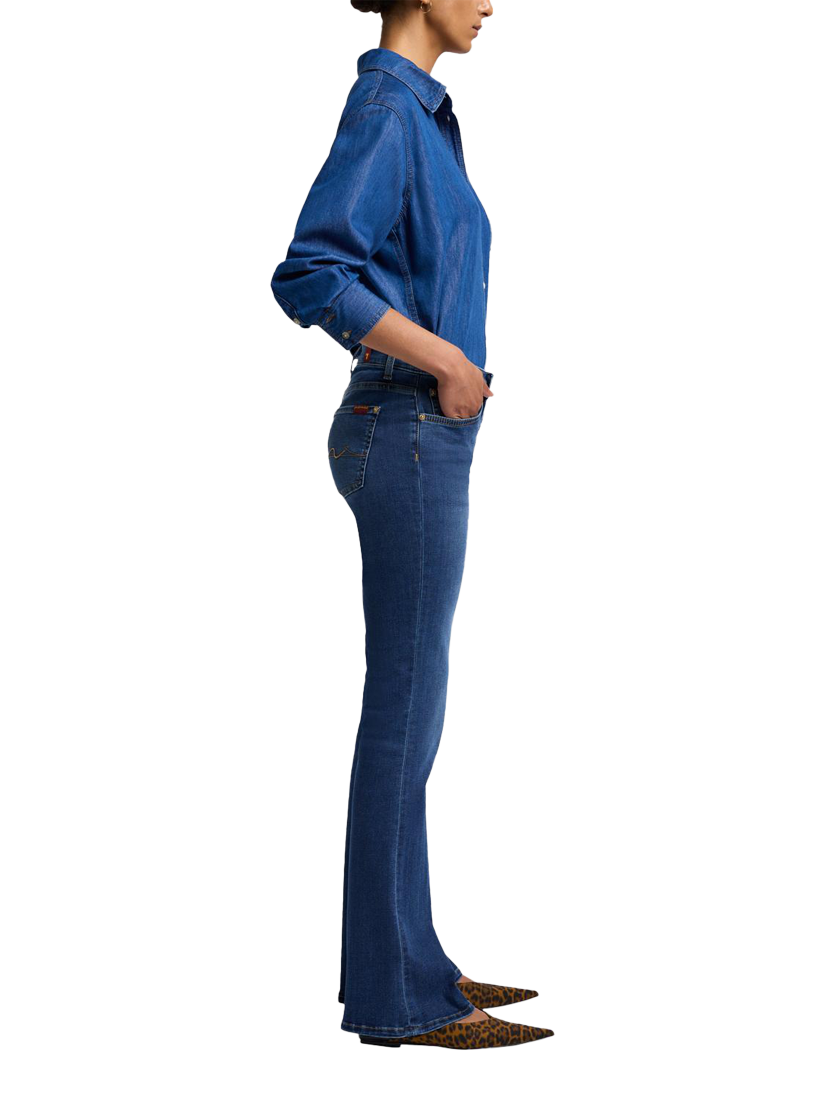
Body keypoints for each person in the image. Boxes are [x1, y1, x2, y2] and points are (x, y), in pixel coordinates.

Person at [270, 0, 553, 1050]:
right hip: (406, 428)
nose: (491, 3)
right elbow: (309, 272)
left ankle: (411, 961)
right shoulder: (387, 110)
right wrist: (446, 360)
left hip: (414, 433)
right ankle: (399, 998)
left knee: (412, 709)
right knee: (403, 710)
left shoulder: (418, 113)